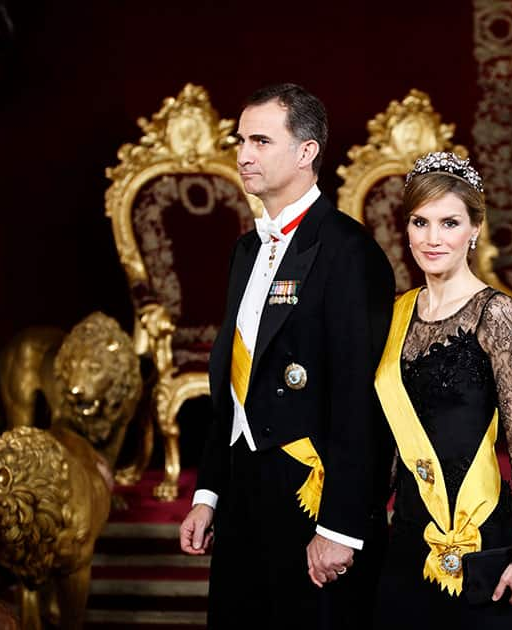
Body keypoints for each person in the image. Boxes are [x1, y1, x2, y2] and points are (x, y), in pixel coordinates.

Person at [178, 83, 396, 629]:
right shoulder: (245, 249)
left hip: (310, 498)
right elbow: (230, 379)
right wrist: (208, 493)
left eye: (260, 140)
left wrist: (341, 527)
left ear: (306, 153)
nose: (243, 154)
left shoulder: (350, 252)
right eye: (240, 140)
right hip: (243, 486)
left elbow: (360, 400)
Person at [373, 151, 512, 629]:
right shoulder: (396, 313)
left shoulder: (496, 313)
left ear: (474, 229)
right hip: (409, 528)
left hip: (481, 528)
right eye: (419, 222)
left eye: (449, 222)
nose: (432, 239)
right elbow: (394, 437)